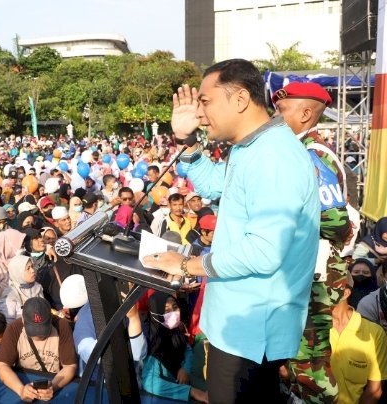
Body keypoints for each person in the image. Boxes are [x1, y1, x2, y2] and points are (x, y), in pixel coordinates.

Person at [144, 59, 320, 401]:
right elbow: (214, 186)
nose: (199, 113)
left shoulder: (273, 157)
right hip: (240, 326)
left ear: (240, 99)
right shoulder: (251, 147)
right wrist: (188, 141)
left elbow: (264, 252)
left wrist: (185, 265)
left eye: (205, 102)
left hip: (251, 334)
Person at [272, 81, 353, 402]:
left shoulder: (312, 155)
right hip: (305, 275)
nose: (275, 116)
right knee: (297, 361)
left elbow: (335, 221)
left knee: (310, 367)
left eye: (282, 110)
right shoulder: (299, 151)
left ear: (305, 113)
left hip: (315, 279)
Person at [0, 297, 77, 402]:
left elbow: (70, 365)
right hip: (24, 380)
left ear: (51, 318)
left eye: (43, 329)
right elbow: (2, 366)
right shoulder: (14, 329)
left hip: (54, 381)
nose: (38, 336)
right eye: (33, 330)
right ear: (23, 319)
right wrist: (20, 389)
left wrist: (53, 386)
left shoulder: (61, 326)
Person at [140, 292, 207, 403]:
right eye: (166, 310)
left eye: (175, 307)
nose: (173, 313)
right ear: (156, 314)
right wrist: (191, 392)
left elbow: (187, 350)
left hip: (189, 380)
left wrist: (185, 368)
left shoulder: (176, 333)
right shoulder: (154, 346)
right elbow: (149, 382)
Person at [330, 274, 387, 403]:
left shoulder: (374, 333)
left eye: (324, 288)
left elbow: (374, 390)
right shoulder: (304, 328)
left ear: (345, 292)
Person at [0, 255, 43, 324]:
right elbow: (9, 325)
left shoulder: (37, 287)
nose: (32, 270)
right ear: (18, 272)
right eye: (28, 268)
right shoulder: (10, 295)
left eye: (32, 266)